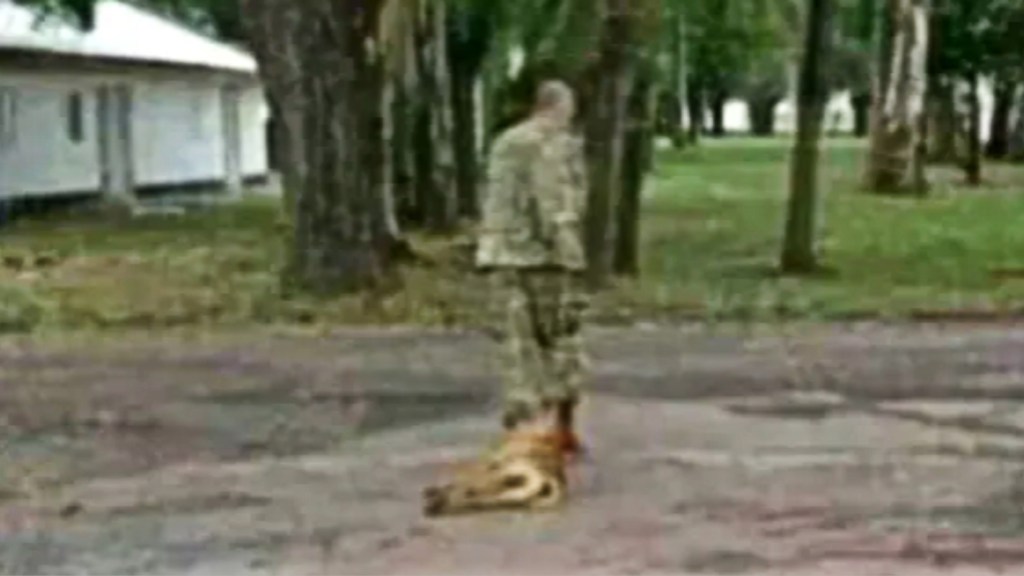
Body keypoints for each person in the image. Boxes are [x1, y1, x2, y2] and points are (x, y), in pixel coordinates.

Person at [475, 79, 589, 458]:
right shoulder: (547, 142)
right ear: (559, 106)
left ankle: (522, 429)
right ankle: (556, 429)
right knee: (559, 339)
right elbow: (549, 199)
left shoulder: (505, 141)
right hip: (541, 258)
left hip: (499, 254)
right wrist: (567, 249)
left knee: (515, 345)